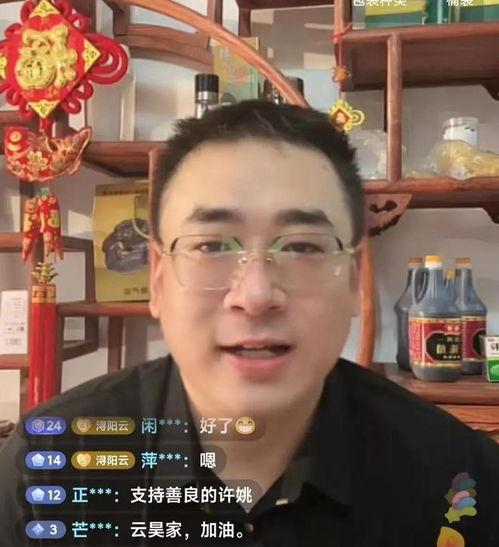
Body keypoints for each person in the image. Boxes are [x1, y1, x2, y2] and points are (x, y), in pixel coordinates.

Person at [0, 101, 498, 547]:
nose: (255, 296)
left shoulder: (459, 480)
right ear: (157, 279)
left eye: (302, 246)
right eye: (211, 245)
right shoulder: (48, 466)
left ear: (354, 281)